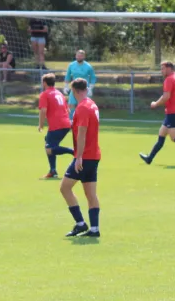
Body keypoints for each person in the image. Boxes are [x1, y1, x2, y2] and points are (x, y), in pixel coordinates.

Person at [60, 78, 101, 238]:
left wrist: (78, 157)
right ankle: (95, 229)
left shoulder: (83, 107)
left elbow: (82, 134)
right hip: (94, 155)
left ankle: (80, 223)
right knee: (91, 195)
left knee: (65, 187)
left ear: (75, 91)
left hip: (85, 157)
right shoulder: (91, 104)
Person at [139, 61, 175, 166]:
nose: (161, 71)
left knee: (174, 137)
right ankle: (149, 158)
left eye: (163, 68)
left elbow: (166, 96)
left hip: (174, 112)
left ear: (169, 68)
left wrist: (155, 104)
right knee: (162, 133)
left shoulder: (169, 79)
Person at [38, 73, 74, 178]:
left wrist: (41, 125)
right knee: (49, 143)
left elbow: (43, 110)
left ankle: (73, 151)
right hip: (66, 123)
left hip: (57, 125)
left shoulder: (45, 94)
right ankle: (53, 171)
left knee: (49, 148)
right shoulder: (59, 93)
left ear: (44, 83)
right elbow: (68, 110)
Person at [63, 50, 96, 119]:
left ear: (84, 57)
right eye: (77, 56)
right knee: (71, 104)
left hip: (84, 88)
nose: (79, 57)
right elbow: (68, 76)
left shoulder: (88, 66)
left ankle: (85, 118)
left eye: (80, 56)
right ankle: (71, 119)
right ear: (75, 56)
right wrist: (66, 86)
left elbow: (93, 78)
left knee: (84, 105)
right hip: (74, 88)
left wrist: (90, 88)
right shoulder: (71, 65)